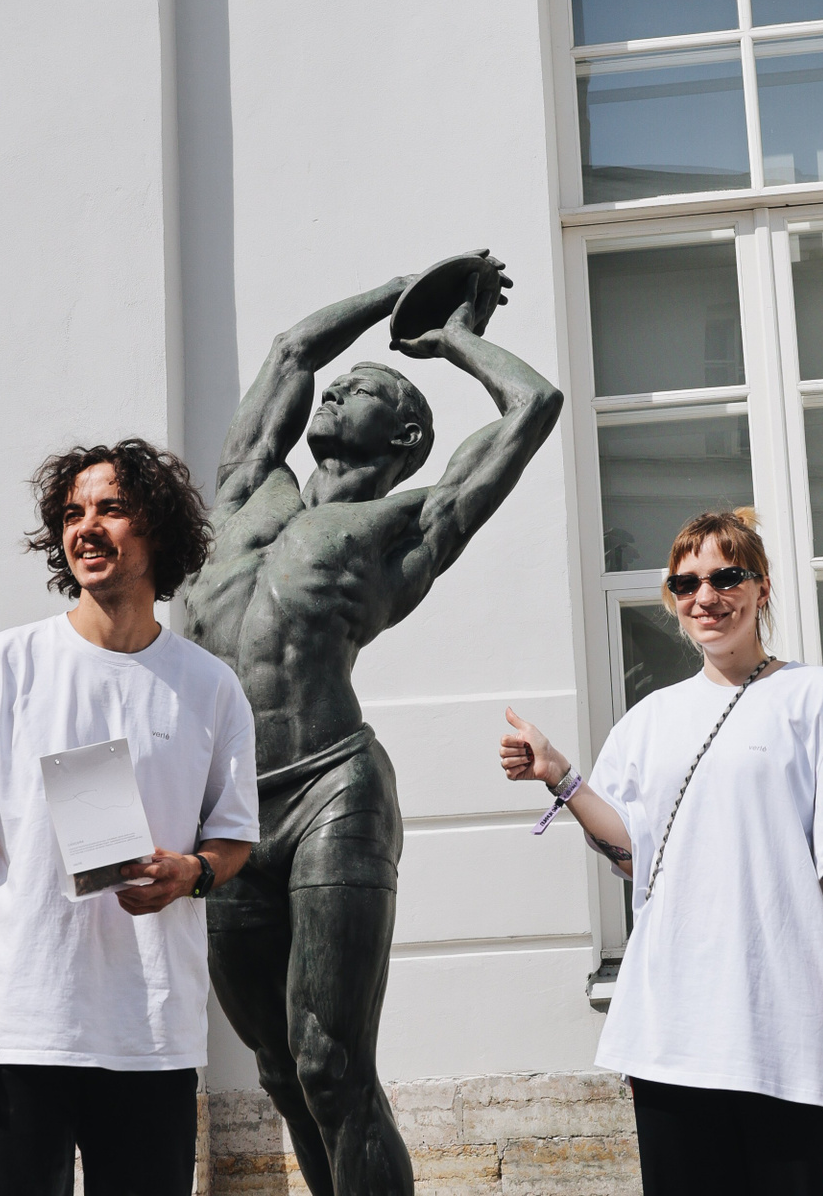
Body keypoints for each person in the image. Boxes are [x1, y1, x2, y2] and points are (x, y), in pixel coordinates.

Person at [180, 254, 563, 1196]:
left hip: (331, 791)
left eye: (367, 388)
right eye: (344, 382)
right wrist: (400, 292)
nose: (340, 386)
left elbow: (533, 406)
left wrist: (453, 338)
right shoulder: (245, 492)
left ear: (405, 434)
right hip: (225, 811)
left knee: (330, 1063)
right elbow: (293, 351)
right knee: (280, 1072)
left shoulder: (409, 524)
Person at [499, 507, 823, 1196]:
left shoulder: (815, 696)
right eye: (686, 583)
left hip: (790, 1031)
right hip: (671, 1031)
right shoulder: (648, 720)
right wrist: (562, 776)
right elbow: (634, 855)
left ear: (761, 587)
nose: (706, 596)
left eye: (726, 577)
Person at [0, 438, 260, 1196]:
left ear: (157, 532)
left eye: (110, 509)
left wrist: (192, 873)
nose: (85, 527)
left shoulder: (210, 687)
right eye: (71, 514)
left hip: (152, 1033)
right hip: (21, 1030)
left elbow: (233, 839)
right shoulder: (1, 668)